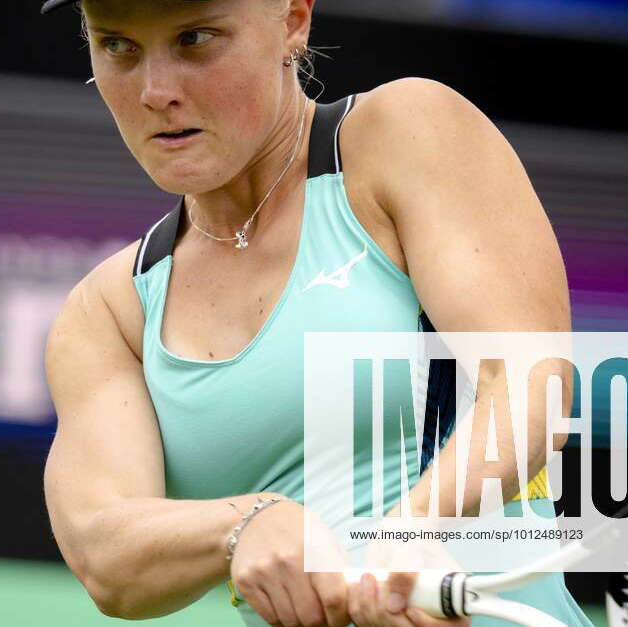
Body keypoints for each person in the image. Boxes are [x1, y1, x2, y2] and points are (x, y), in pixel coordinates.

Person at [42, 1, 592, 625]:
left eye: (195, 39)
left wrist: (409, 536)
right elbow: (106, 555)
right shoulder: (108, 312)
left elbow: (531, 384)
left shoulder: (404, 132)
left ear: (293, 21)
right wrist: (245, 524)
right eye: (117, 46)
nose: (155, 91)